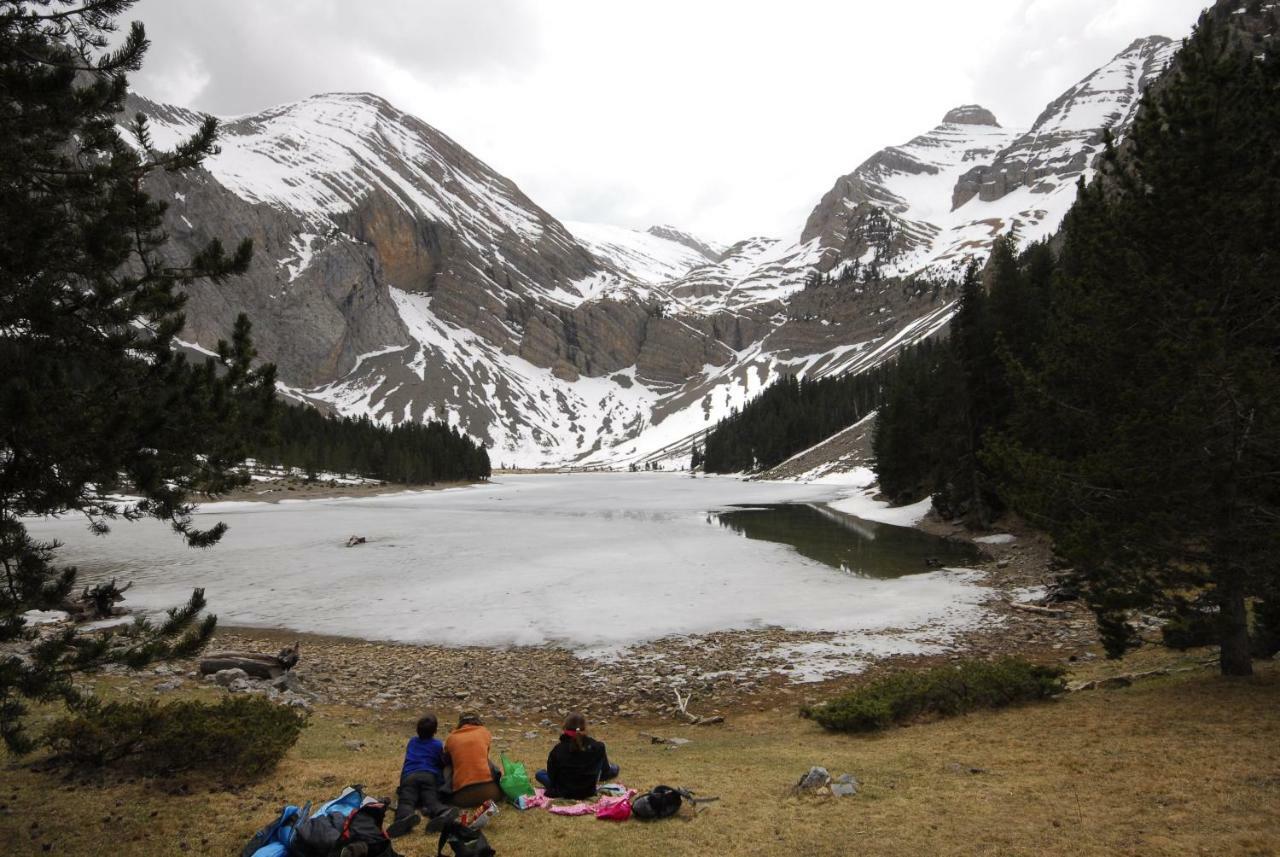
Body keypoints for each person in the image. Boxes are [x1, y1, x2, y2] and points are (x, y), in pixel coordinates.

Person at [388, 713, 458, 838]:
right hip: (429, 776)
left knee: (406, 801)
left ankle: (404, 818)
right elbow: (441, 762)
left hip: (410, 776)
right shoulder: (437, 745)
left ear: (417, 730)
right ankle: (443, 812)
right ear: (435, 730)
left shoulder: (412, 742)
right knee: (431, 800)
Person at [535, 712, 620, 799]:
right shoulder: (598, 747)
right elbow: (605, 772)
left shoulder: (557, 750)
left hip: (563, 791)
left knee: (540, 774)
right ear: (585, 728)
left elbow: (552, 776)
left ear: (565, 728)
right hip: (588, 791)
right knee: (615, 768)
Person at [443, 711, 503, 808]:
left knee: (448, 767)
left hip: (461, 799)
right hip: (491, 795)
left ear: (460, 723)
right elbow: (485, 752)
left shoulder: (451, 737)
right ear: (477, 721)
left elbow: (446, 760)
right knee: (487, 761)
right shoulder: (484, 732)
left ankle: (445, 794)